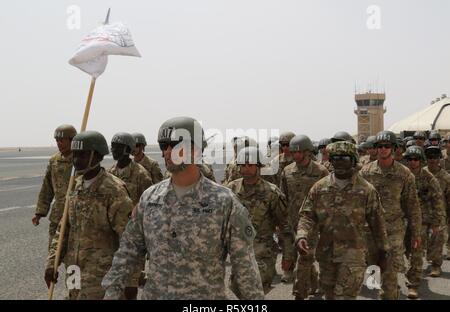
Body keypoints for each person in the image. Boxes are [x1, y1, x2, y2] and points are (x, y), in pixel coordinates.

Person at [102, 116, 264, 299]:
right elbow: (127, 253)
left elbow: (245, 266)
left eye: (175, 144)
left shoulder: (224, 202)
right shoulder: (150, 199)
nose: (168, 151)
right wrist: (111, 292)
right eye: (164, 146)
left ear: (195, 149)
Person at [45, 131, 134, 300]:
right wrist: (52, 263)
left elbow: (130, 240)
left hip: (101, 276)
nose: (76, 160)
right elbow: (63, 229)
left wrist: (131, 281)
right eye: (75, 155)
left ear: (98, 156)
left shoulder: (114, 191)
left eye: (83, 155)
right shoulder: (75, 187)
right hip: (74, 270)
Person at [297, 141, 389, 300]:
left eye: (344, 159)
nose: (339, 163)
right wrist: (302, 235)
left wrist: (383, 252)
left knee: (344, 297)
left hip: (353, 256)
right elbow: (307, 215)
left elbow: (378, 224)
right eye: (335, 159)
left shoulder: (366, 190)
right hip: (326, 255)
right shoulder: (319, 188)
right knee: (330, 296)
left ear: (353, 161)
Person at [360, 131, 422, 300]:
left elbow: (413, 205)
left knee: (390, 271)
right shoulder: (365, 172)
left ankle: (389, 294)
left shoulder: (404, 174)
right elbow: (358, 202)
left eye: (387, 146)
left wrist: (416, 233)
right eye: (380, 146)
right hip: (370, 230)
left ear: (394, 148)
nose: (383, 149)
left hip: (394, 229)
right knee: (372, 271)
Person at [227, 146, 294, 295]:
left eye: (250, 165)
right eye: (242, 165)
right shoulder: (231, 190)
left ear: (258, 167)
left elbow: (285, 226)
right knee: (237, 288)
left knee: (255, 291)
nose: (245, 169)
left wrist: (288, 256)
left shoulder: (271, 192)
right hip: (239, 252)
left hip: (263, 253)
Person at [279, 134, 329, 297]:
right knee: (306, 255)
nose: (294, 154)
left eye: (298, 151)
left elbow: (327, 198)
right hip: (293, 221)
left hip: (312, 223)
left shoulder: (321, 171)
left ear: (307, 152)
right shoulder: (287, 171)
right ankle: (316, 284)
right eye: (292, 151)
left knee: (304, 258)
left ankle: (299, 293)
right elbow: (283, 196)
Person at [108, 132, 153, 299]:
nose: (113, 150)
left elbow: (149, 208)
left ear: (127, 149)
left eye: (117, 147)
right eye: (112, 146)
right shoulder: (110, 173)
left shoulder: (141, 174)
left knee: (130, 286)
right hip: (113, 236)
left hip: (134, 236)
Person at [403, 146, 446, 299]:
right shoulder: (399, 175)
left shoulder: (429, 178)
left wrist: (436, 222)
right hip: (399, 220)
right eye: (409, 159)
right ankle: (382, 283)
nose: (412, 162)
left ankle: (413, 284)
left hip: (420, 220)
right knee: (400, 252)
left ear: (420, 161)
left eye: (416, 159)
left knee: (416, 252)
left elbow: (438, 201)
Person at [33, 124, 77, 249]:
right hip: (57, 215)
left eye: (62, 140)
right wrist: (40, 212)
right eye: (57, 141)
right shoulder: (54, 160)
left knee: (73, 257)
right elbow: (47, 188)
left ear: (72, 140)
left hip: (76, 216)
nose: (59, 144)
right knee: (53, 253)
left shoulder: (81, 160)